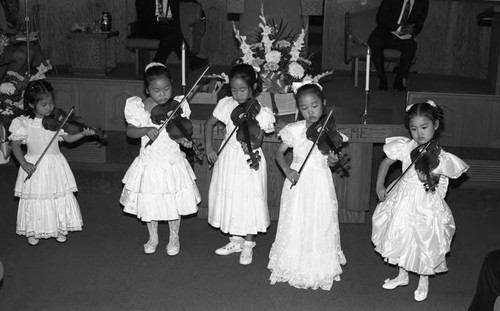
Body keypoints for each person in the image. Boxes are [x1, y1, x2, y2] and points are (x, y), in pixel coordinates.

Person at [372, 100, 469, 301]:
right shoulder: (406, 146)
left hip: (425, 199)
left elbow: (444, 180)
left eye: (424, 127)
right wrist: (379, 185)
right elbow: (386, 162)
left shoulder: (439, 155)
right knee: (400, 232)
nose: (419, 133)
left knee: (424, 238)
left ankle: (423, 280)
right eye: (414, 128)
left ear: (436, 125)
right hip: (403, 195)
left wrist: (436, 195)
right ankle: (402, 275)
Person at [267, 83, 347, 290]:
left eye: (314, 106)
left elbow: (331, 163)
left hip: (320, 181)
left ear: (323, 104)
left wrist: (333, 159)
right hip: (298, 180)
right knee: (296, 218)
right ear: (298, 108)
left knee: (320, 218)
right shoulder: (294, 129)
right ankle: (293, 260)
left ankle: (318, 260)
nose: (310, 112)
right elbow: (279, 154)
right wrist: (286, 170)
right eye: (304, 108)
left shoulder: (329, 132)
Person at [120, 62, 201, 255]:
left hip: (171, 161)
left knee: (174, 201)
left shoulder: (178, 106)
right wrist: (145, 129)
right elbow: (130, 132)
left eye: (166, 89)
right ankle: (153, 236)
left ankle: (174, 237)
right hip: (150, 163)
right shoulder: (139, 107)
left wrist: (185, 141)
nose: (162, 94)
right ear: (147, 90)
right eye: (156, 90)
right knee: (150, 200)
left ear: (172, 85)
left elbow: (179, 134)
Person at [8, 80, 95, 245]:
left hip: (55, 164)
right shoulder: (24, 123)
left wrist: (83, 134)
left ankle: (59, 227)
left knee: (57, 196)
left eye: (51, 103)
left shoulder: (56, 121)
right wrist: (24, 164)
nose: (49, 107)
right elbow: (15, 145)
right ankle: (33, 229)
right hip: (35, 164)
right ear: (32, 105)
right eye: (44, 104)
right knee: (36, 198)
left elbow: (68, 138)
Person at [205, 63, 275, 265]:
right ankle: (235, 240)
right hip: (229, 157)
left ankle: (248, 244)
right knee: (231, 195)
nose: (238, 94)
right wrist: (210, 147)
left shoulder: (261, 111)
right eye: (234, 90)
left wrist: (252, 144)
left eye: (243, 90)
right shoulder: (226, 104)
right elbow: (209, 123)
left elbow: (260, 139)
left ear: (253, 87)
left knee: (248, 197)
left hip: (248, 159)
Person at [368, 0, 429, 91]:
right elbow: (380, 18)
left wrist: (411, 32)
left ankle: (400, 79)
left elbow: (419, 25)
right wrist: (399, 28)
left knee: (411, 45)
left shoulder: (423, 2)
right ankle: (382, 77)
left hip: (404, 36)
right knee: (375, 42)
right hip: (385, 32)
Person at [134, 0, 208, 69]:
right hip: (146, 29)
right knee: (171, 32)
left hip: (161, 28)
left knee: (171, 33)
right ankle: (189, 58)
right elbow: (147, 18)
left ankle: (157, 62)